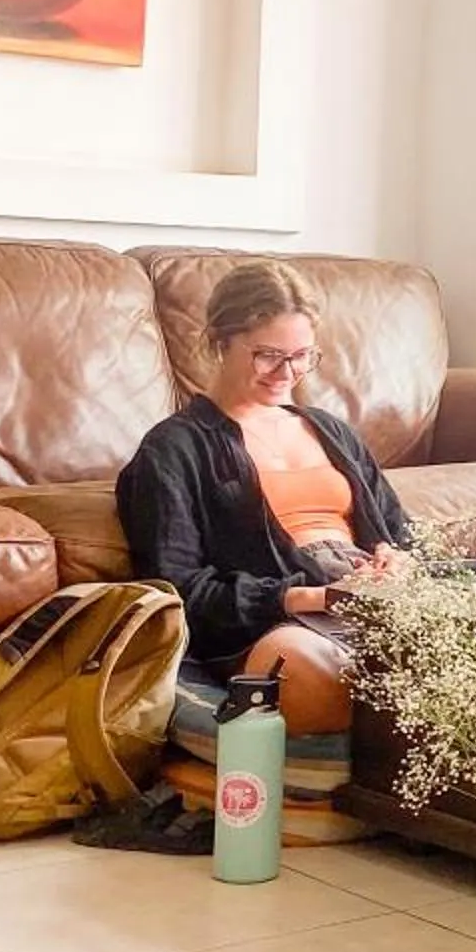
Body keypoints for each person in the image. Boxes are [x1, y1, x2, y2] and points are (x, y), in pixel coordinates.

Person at [118, 260, 414, 734]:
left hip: (370, 599)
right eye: (268, 355)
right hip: (279, 620)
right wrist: (308, 597)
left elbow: (401, 533)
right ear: (220, 341)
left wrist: (393, 558)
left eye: (302, 356)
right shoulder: (175, 448)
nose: (287, 372)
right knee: (312, 673)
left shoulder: (331, 430)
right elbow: (177, 588)